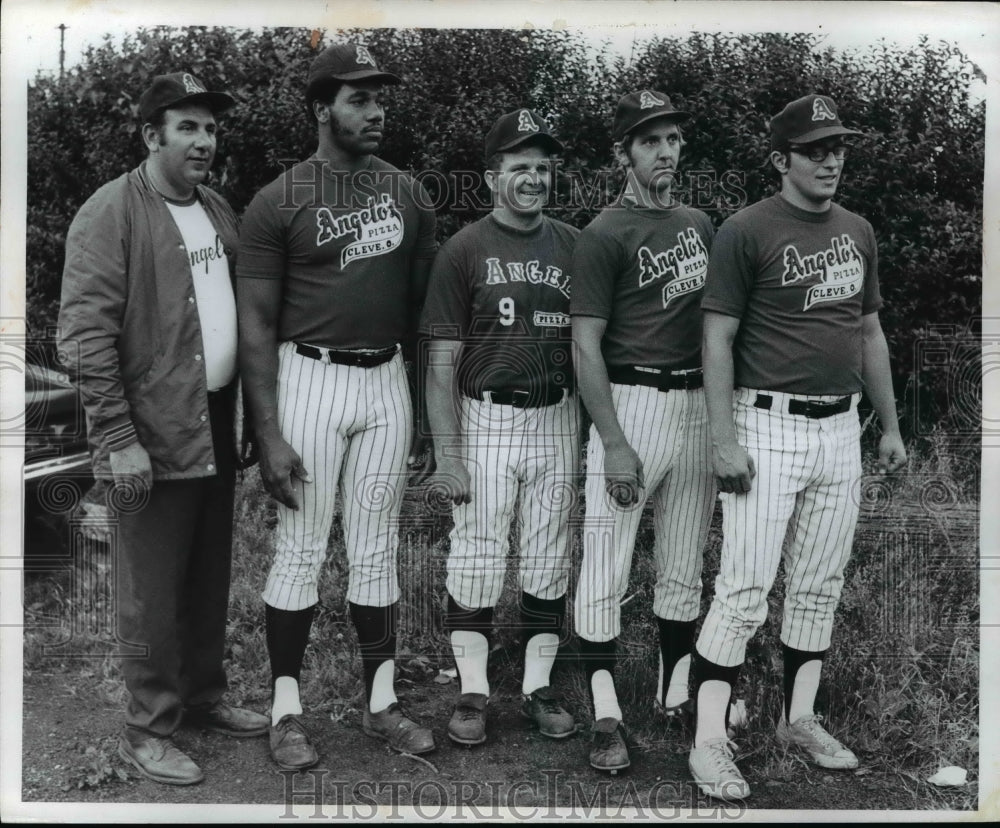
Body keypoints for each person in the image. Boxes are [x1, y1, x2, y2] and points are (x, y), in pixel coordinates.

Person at [688, 94, 907, 801]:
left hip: (840, 427)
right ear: (781, 159)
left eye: (838, 146)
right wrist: (723, 438)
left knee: (818, 585)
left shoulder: (858, 229)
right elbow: (717, 337)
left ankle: (798, 719)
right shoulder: (746, 229)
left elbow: (869, 332)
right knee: (744, 590)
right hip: (767, 423)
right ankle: (709, 740)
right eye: (815, 149)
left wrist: (892, 427)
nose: (831, 159)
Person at [58, 71, 269, 786]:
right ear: (152, 135)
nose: (205, 141)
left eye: (210, 128)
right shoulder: (108, 213)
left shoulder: (215, 208)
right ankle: (148, 731)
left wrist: (240, 415)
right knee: (147, 588)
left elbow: (228, 317)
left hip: (210, 419)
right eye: (188, 127)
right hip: (146, 431)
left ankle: (204, 699)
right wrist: (118, 441)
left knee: (207, 575)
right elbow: (85, 337)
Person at [236, 42, 438, 770]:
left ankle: (380, 700)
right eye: (359, 98)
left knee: (378, 549)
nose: (376, 110)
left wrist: (420, 411)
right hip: (309, 379)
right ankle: (286, 708)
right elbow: (255, 324)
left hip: (384, 379)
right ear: (323, 109)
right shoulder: (279, 198)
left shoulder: (410, 194)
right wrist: (267, 431)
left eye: (380, 97)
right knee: (301, 548)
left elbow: (420, 315)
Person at [420, 109, 580, 747]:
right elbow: (439, 363)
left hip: (557, 412)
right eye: (520, 167)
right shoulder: (464, 248)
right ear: (492, 178)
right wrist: (448, 454)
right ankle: (473, 691)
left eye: (543, 167)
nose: (534, 178)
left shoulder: (574, 243)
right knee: (479, 551)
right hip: (486, 412)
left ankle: (538, 687)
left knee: (548, 552)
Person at [570, 90, 717, 772]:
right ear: (624, 153)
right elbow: (585, 346)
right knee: (606, 561)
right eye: (650, 140)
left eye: (673, 138)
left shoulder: (699, 222)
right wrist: (614, 441)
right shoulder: (605, 231)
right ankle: (605, 712)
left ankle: (673, 694)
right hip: (632, 400)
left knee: (684, 562)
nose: (665, 150)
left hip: (693, 403)